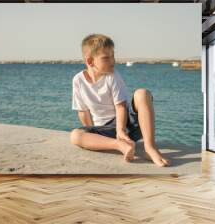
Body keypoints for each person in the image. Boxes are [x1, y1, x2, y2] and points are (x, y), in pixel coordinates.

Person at [70, 33, 170, 167]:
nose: (113, 61)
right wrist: (92, 131)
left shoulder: (112, 76)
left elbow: (121, 107)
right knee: (75, 136)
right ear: (90, 61)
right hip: (105, 130)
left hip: (128, 125)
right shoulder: (78, 80)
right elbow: (83, 112)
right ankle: (119, 145)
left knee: (142, 93)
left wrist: (121, 131)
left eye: (113, 56)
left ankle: (149, 147)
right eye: (106, 58)